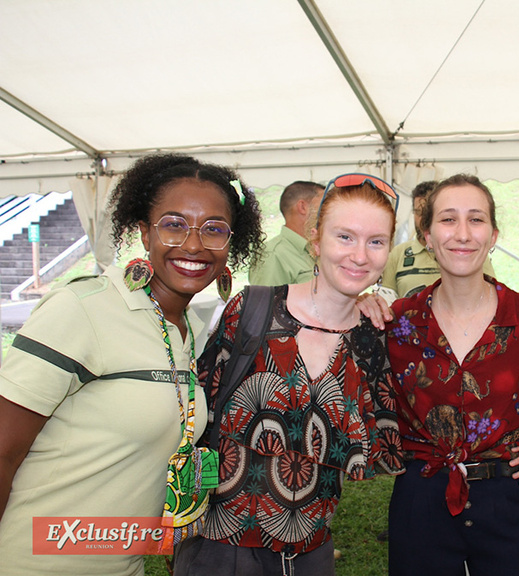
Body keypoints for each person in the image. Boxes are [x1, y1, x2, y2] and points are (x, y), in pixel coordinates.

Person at [0, 153, 265, 576]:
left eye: (213, 230)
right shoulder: (84, 308)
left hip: (124, 563)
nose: (194, 245)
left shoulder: (190, 328)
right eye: (174, 224)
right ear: (144, 233)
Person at [173, 173, 404, 576]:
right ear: (315, 240)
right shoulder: (252, 311)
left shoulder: (374, 341)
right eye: (344, 237)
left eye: (376, 241)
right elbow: (193, 416)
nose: (360, 256)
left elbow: (381, 447)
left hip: (311, 553)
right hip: (220, 548)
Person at [384, 174, 519, 576]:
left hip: (504, 498)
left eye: (476, 220)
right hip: (422, 497)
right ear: (426, 235)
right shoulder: (399, 322)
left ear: (494, 234)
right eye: (448, 220)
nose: (462, 234)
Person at [381, 180, 495, 300]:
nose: (422, 220)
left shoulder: (470, 254)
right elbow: (387, 301)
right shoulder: (398, 254)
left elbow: (490, 293)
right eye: (418, 212)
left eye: (426, 213)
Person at [248, 180, 324, 286]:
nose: (328, 211)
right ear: (303, 207)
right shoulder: (272, 256)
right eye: (323, 205)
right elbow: (263, 301)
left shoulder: (315, 249)